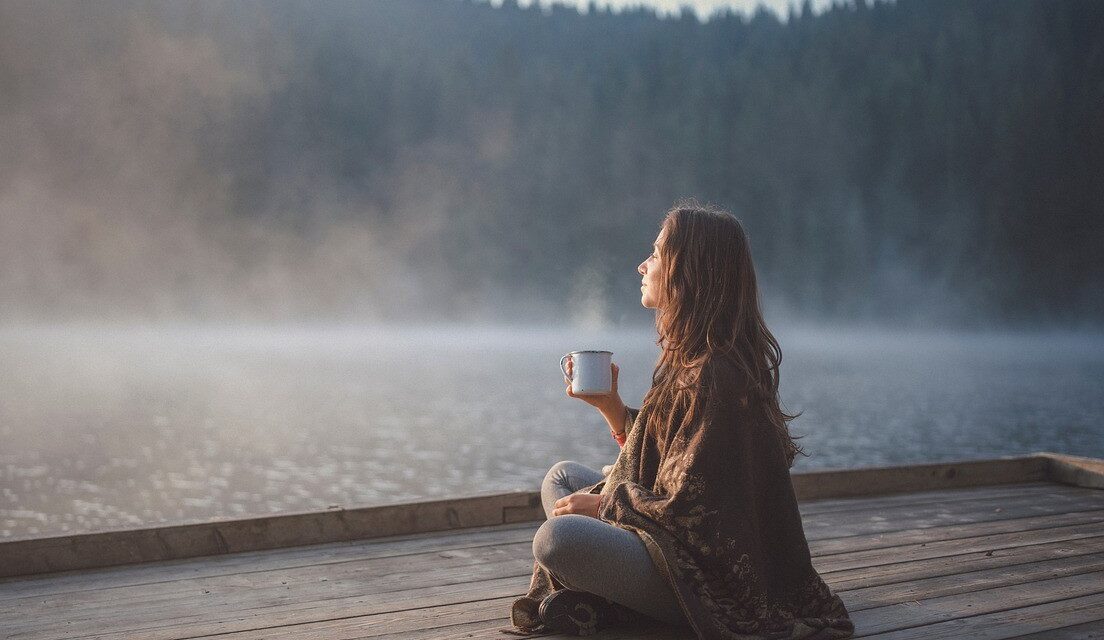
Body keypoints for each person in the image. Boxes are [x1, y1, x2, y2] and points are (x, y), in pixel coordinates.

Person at [507, 200, 854, 639]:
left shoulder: (717, 375)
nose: (642, 265)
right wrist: (612, 408)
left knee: (556, 540)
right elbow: (671, 458)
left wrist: (606, 506)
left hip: (708, 578)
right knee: (562, 478)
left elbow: (696, 510)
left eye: (655, 254)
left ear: (688, 272)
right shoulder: (692, 359)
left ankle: (636, 605)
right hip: (669, 541)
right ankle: (612, 589)